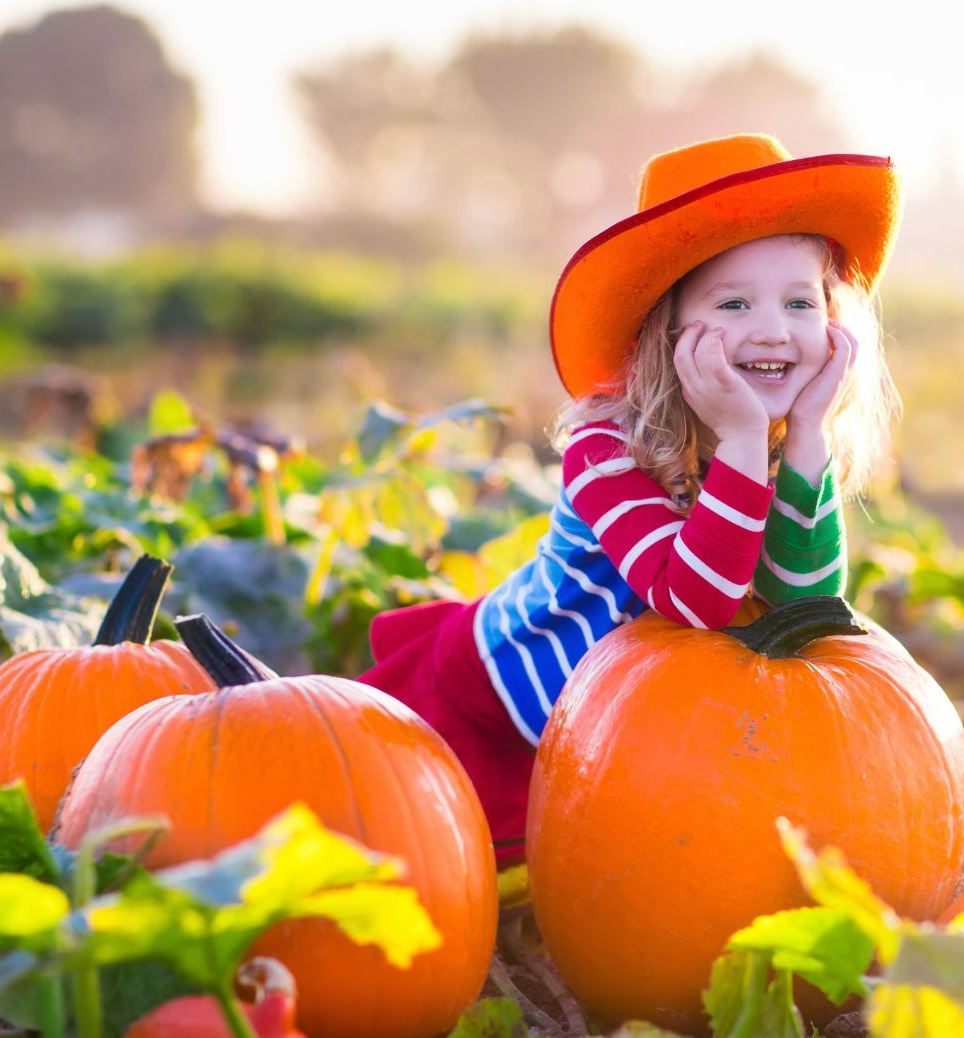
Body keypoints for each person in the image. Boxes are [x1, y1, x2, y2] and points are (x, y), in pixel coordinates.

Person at [359, 133, 902, 865]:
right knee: (412, 853)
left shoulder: (781, 444)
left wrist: (804, 434)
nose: (772, 330)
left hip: (616, 735)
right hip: (500, 713)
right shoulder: (608, 445)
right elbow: (692, 600)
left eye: (799, 302)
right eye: (734, 302)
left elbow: (807, 605)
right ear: (667, 329)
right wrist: (742, 439)